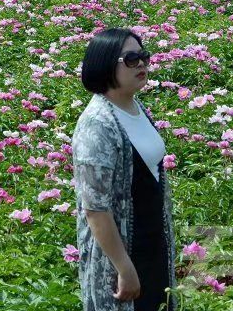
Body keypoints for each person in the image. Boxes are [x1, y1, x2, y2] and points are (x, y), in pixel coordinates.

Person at [72, 28, 175, 311]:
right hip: (121, 254)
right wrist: (124, 267)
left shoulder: (134, 106)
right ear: (105, 63)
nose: (141, 64)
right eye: (131, 59)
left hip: (151, 239)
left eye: (144, 56)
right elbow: (95, 209)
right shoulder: (97, 123)